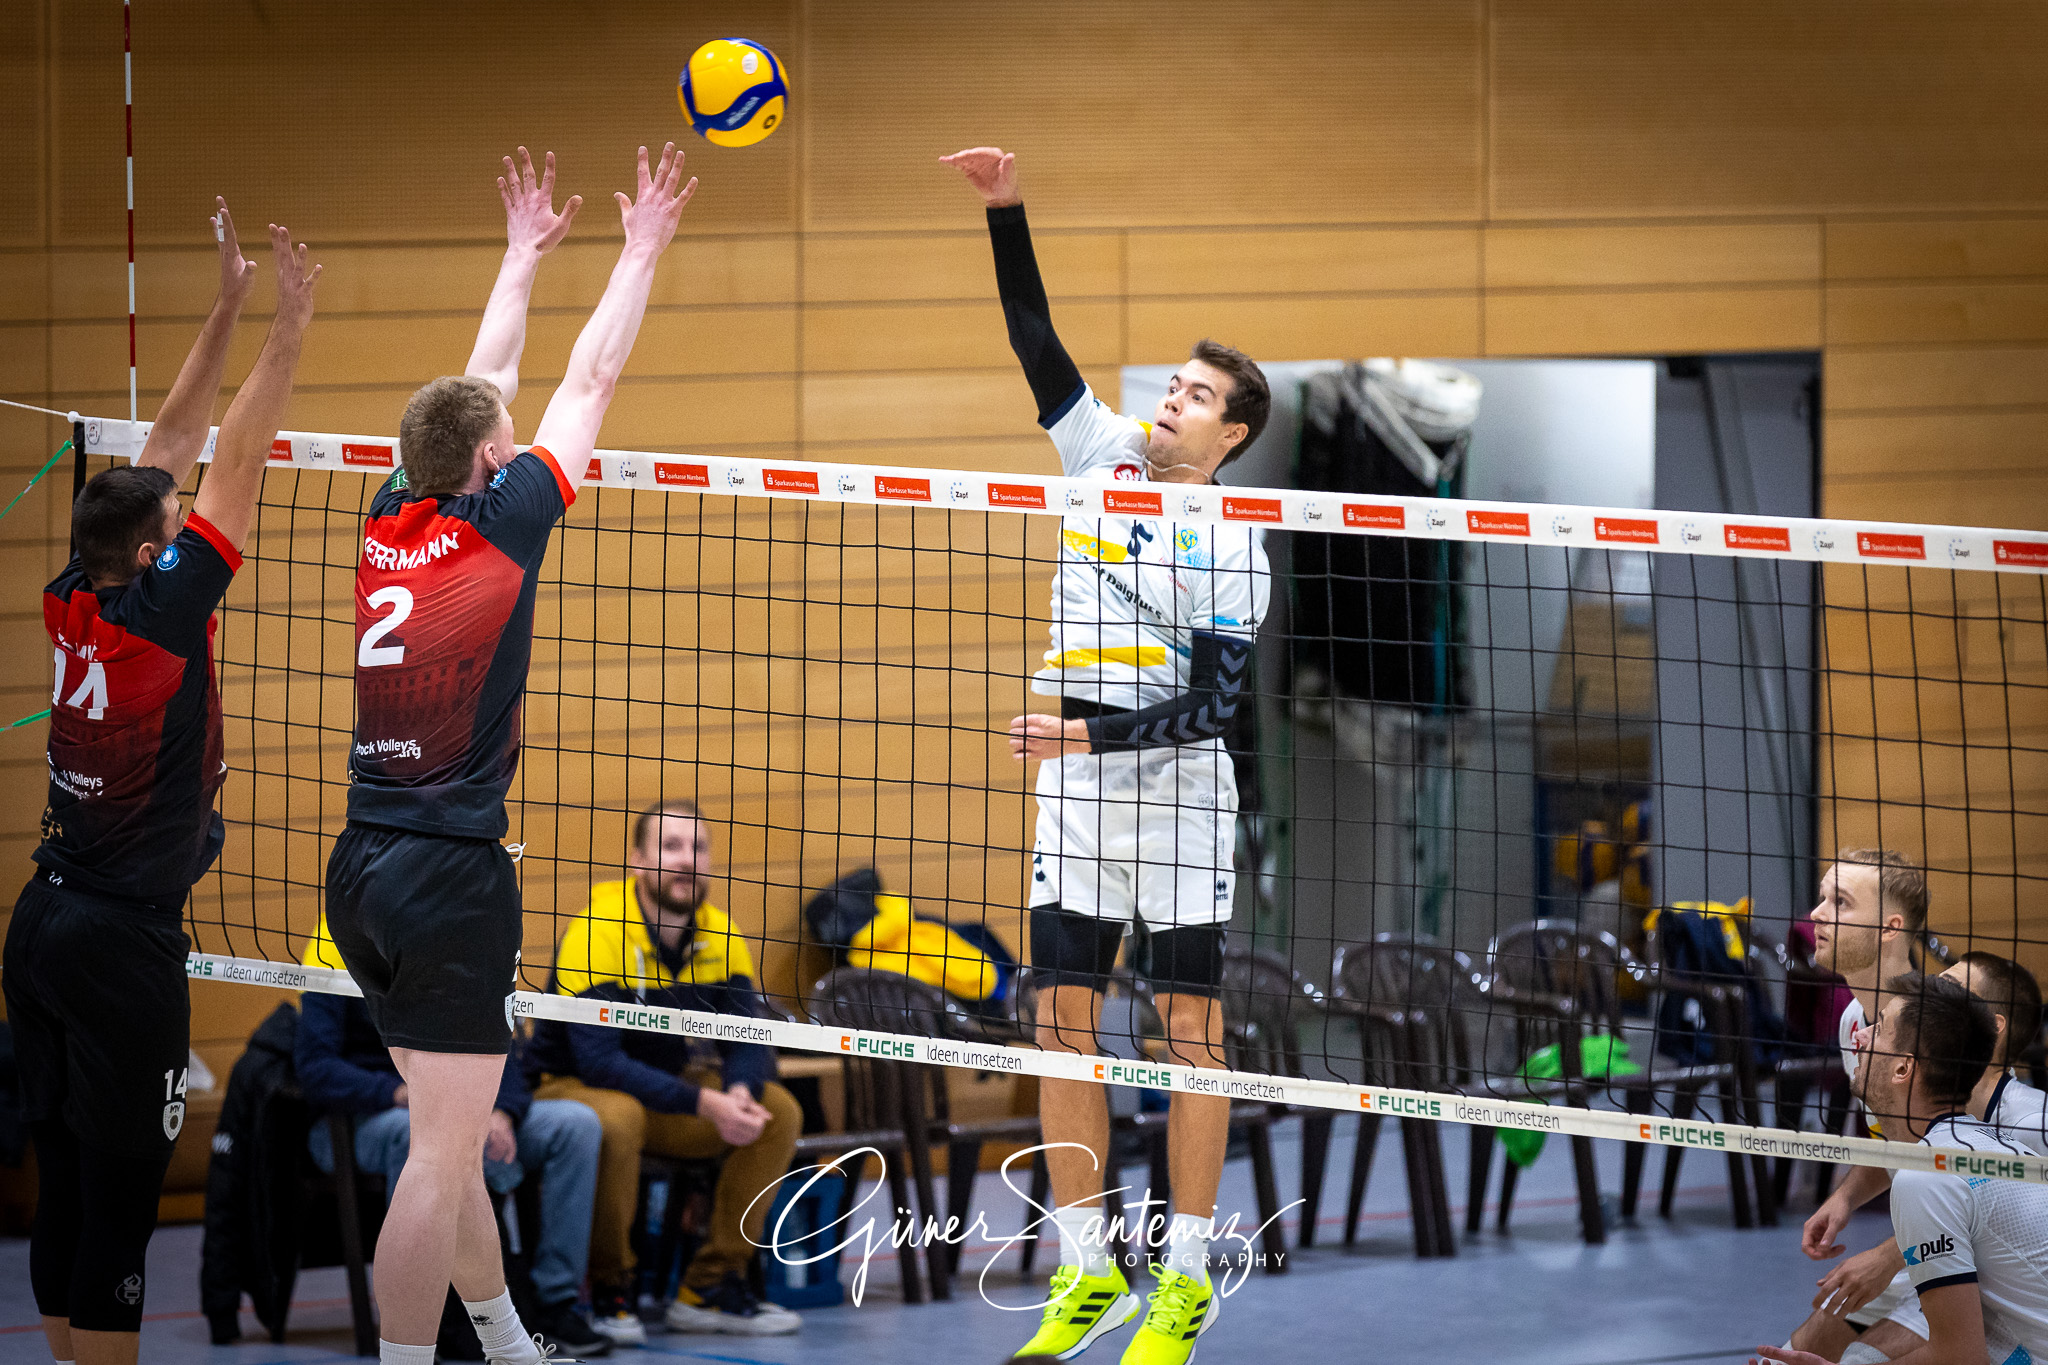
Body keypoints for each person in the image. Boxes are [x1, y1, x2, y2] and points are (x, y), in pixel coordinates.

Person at [321, 144, 693, 1365]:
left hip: (362, 866)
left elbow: (478, 385)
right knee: (441, 1152)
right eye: (510, 441)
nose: (521, 439)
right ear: (491, 466)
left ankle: (506, 1342)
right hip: (445, 877)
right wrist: (638, 247)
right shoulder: (507, 522)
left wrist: (524, 253)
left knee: (453, 1124)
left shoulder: (392, 511)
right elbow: (592, 372)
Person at [943, 146, 1272, 1365]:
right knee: (1060, 1021)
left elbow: (1216, 708)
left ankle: (1180, 1280)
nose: (1166, 400)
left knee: (1188, 1032)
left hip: (1179, 800)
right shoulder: (1099, 464)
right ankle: (1086, 1267)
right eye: (1170, 385)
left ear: (1229, 434)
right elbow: (1035, 339)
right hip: (1077, 794)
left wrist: (1080, 730)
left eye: (1192, 396)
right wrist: (1005, 209)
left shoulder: (1237, 548)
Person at [5, 210, 314, 1365]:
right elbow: (231, 456)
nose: (188, 528)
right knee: (122, 1201)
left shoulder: (74, 593)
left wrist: (227, 304)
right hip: (118, 946)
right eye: (175, 532)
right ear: (153, 559)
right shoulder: (163, 616)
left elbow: (170, 451)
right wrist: (289, 322)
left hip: (40, 923)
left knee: (68, 1177)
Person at [526, 799, 802, 1343]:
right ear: (637, 860)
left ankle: (708, 1286)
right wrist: (705, 1103)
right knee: (620, 1116)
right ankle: (612, 1288)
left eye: (697, 847)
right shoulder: (599, 929)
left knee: (777, 1110)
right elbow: (598, 1062)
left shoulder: (720, 933)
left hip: (663, 1097)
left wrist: (739, 1091)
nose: (687, 860)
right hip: (570, 1088)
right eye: (670, 846)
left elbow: (750, 1039)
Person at [294, 918, 611, 1357]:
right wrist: (403, 1094)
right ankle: (433, 1320)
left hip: (464, 1105)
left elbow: (505, 1050)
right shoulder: (338, 930)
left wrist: (500, 1110)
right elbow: (315, 1068)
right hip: (369, 1116)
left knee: (575, 1125)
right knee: (427, 1142)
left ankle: (556, 1304)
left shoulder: (460, 918)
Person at [1757, 973, 2048, 1365]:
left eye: (1879, 1029)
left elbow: (1961, 1358)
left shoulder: (1926, 1178)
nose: (1859, 1037)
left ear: (1903, 1069)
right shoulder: (1976, 1145)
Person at [1789, 851, 1934, 1362]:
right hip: (1928, 1251)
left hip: (1990, 1267)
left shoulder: (1938, 1034)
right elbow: (1894, 1141)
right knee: (1792, 1353)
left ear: (1889, 928)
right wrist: (1846, 1197)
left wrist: (1889, 1256)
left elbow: (1980, 1181)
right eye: (1823, 897)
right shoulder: (1855, 1022)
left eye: (1841, 903)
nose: (1816, 913)